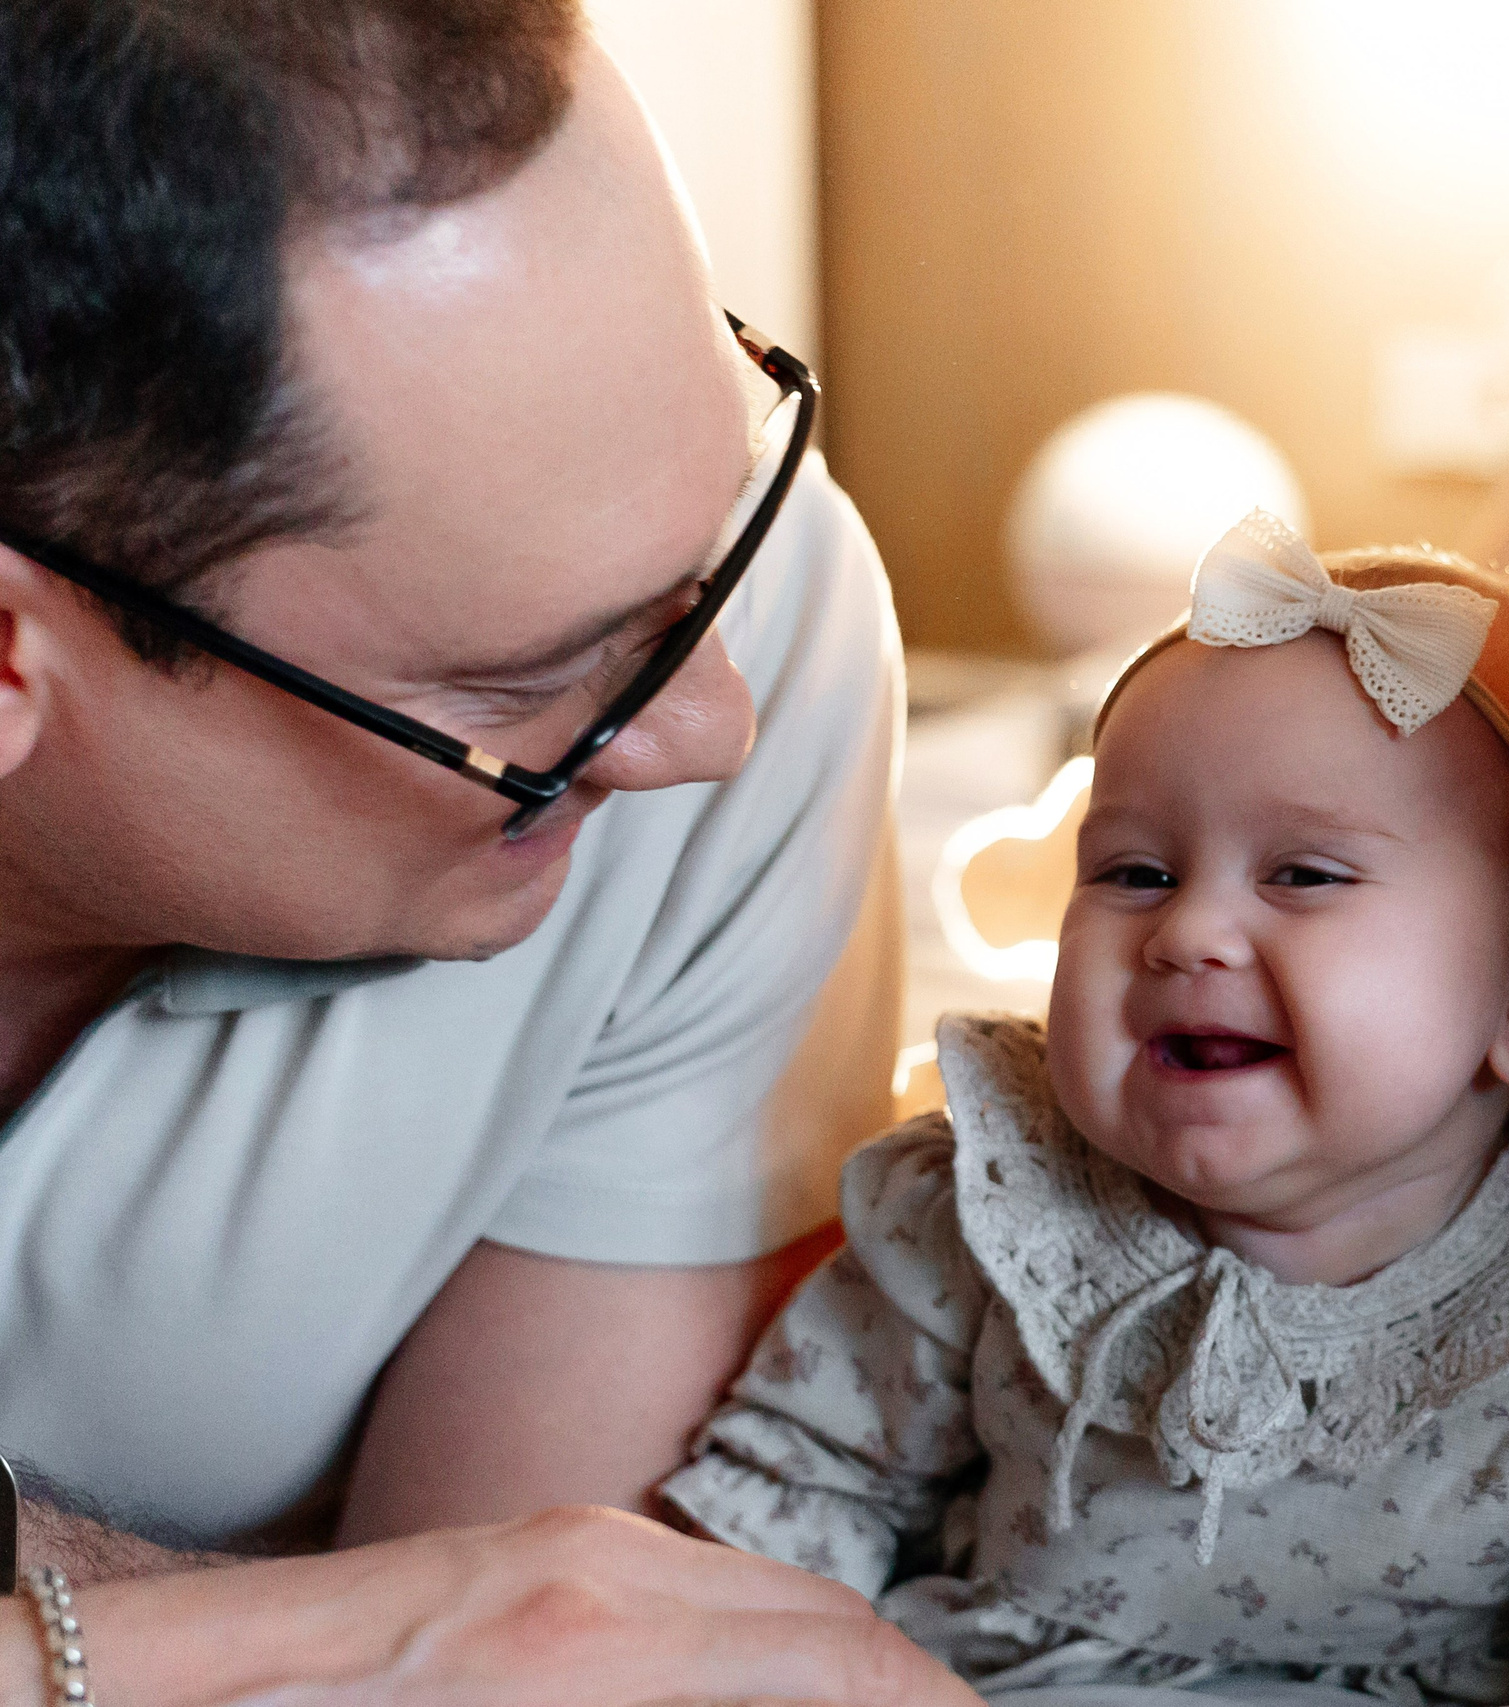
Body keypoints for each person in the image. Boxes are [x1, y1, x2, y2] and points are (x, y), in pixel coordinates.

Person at [0, 2, 974, 1700]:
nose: (712, 730)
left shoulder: (746, 622)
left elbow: (537, 1657)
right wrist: (300, 1624)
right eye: (520, 685)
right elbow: (459, 1631)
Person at [663, 515, 1509, 1706]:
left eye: (1303, 876)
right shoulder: (993, 1219)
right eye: (1134, 873)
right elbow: (798, 1488)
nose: (1189, 933)